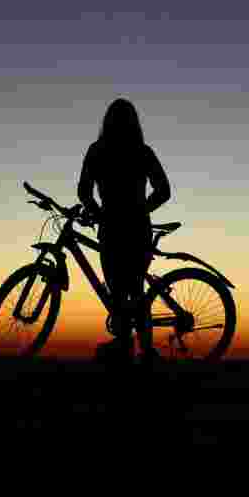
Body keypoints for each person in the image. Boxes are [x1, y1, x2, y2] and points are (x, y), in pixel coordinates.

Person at [78, 98, 171, 365]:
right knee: (137, 291)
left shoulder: (97, 150)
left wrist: (97, 214)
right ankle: (145, 351)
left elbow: (83, 192)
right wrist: (142, 209)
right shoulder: (142, 151)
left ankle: (123, 349)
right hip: (137, 228)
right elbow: (164, 191)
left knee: (117, 293)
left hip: (111, 228)